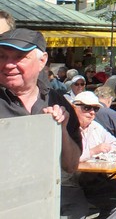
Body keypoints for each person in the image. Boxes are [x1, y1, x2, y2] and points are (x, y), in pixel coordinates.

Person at [0, 28, 81, 173]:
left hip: (45, 193)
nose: (8, 64)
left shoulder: (56, 101)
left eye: (20, 57)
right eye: (2, 56)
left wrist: (61, 130)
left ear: (42, 60)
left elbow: (71, 166)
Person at [60, 90, 116, 219]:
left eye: (95, 109)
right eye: (87, 108)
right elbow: (67, 159)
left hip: (90, 180)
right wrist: (94, 151)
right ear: (74, 108)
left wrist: (103, 152)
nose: (92, 112)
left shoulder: (95, 127)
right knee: (78, 208)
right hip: (68, 183)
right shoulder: (65, 128)